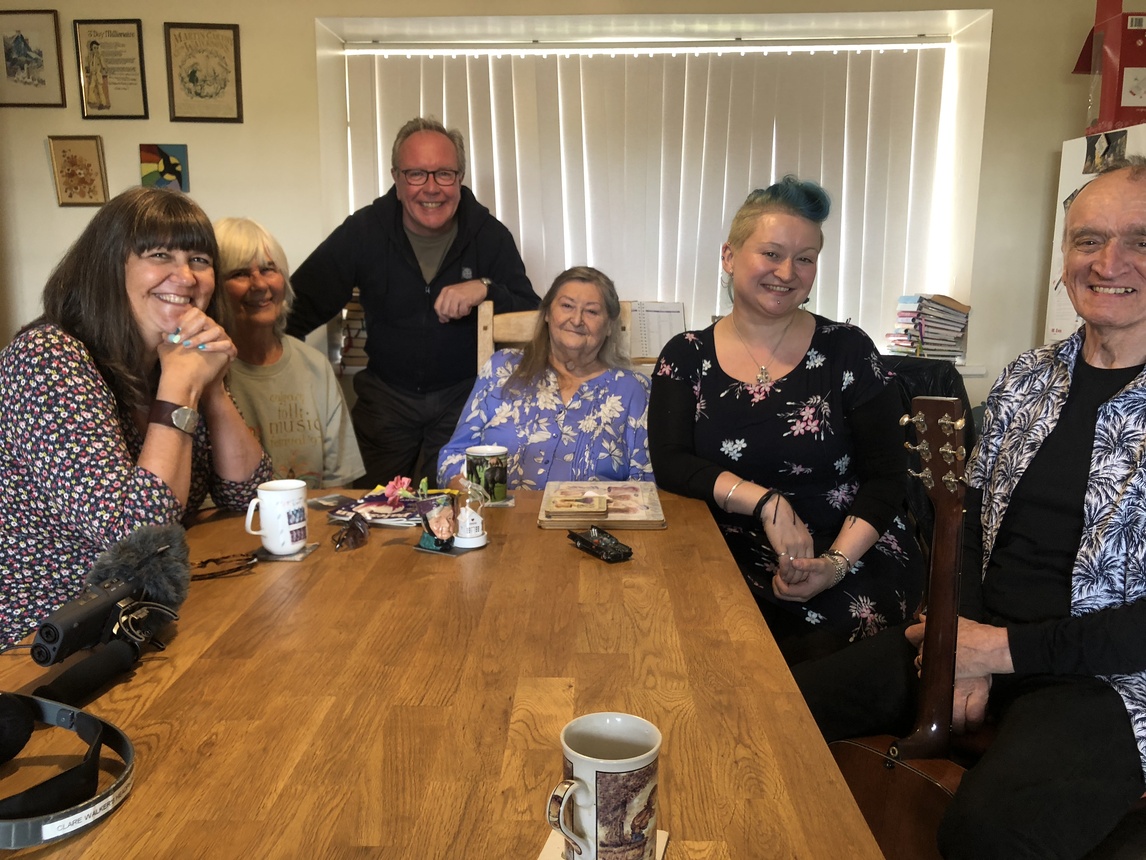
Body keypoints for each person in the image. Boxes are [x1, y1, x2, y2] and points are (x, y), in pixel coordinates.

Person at [793, 159, 1146, 859]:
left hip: (1111, 680)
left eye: (1140, 241)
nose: (1110, 262)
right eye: (1088, 240)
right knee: (782, 709)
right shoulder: (1025, 379)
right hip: (979, 641)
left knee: (988, 837)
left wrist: (999, 653)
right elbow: (969, 529)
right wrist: (965, 645)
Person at [648, 177, 923, 665]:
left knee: (835, 636)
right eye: (771, 253)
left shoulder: (849, 350)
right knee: (692, 631)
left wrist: (834, 565)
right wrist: (765, 503)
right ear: (730, 256)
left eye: (805, 258)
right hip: (725, 545)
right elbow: (670, 462)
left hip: (850, 545)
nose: (787, 272)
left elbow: (888, 477)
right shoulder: (686, 355)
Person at [0, 186, 271, 650]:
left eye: (200, 259)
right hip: (41, 644)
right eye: (160, 254)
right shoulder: (46, 359)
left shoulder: (170, 362)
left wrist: (212, 385)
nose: (185, 276)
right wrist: (179, 385)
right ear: (109, 268)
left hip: (137, 619)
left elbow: (248, 495)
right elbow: (138, 537)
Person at [286, 116, 539, 488]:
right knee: (369, 512)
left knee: (465, 511)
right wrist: (260, 361)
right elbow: (301, 303)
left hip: (466, 400)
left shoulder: (490, 235)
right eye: (417, 174)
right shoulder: (364, 231)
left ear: (461, 177)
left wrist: (486, 289)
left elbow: (532, 315)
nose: (431, 188)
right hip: (387, 399)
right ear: (397, 178)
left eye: (444, 174)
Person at [438, 266, 652, 490]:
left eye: (591, 311)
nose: (576, 319)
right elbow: (452, 459)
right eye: (567, 306)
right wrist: (479, 502)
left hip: (592, 522)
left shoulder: (634, 389)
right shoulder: (502, 368)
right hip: (500, 518)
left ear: (609, 326)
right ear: (548, 313)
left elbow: (645, 483)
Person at [214, 216, 365, 489]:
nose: (259, 285)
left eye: (268, 269)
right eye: (239, 273)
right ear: (214, 289)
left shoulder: (315, 367)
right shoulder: (208, 372)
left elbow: (337, 487)